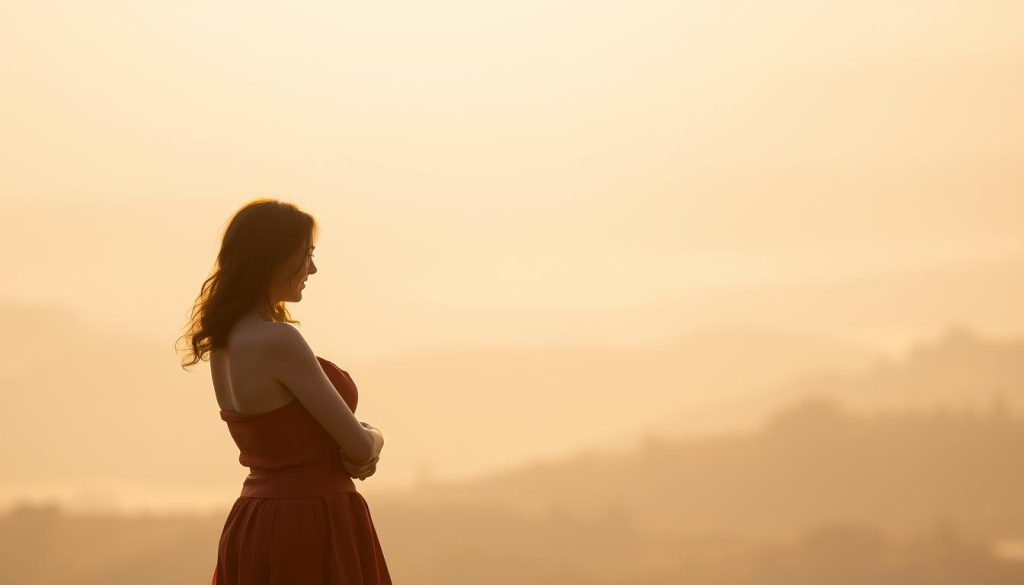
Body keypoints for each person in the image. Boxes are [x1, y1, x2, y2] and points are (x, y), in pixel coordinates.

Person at [177, 197, 393, 584]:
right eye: (306, 255)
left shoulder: (223, 342)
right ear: (274, 258)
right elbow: (360, 448)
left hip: (256, 519)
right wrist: (375, 434)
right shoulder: (279, 341)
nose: (313, 268)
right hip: (312, 521)